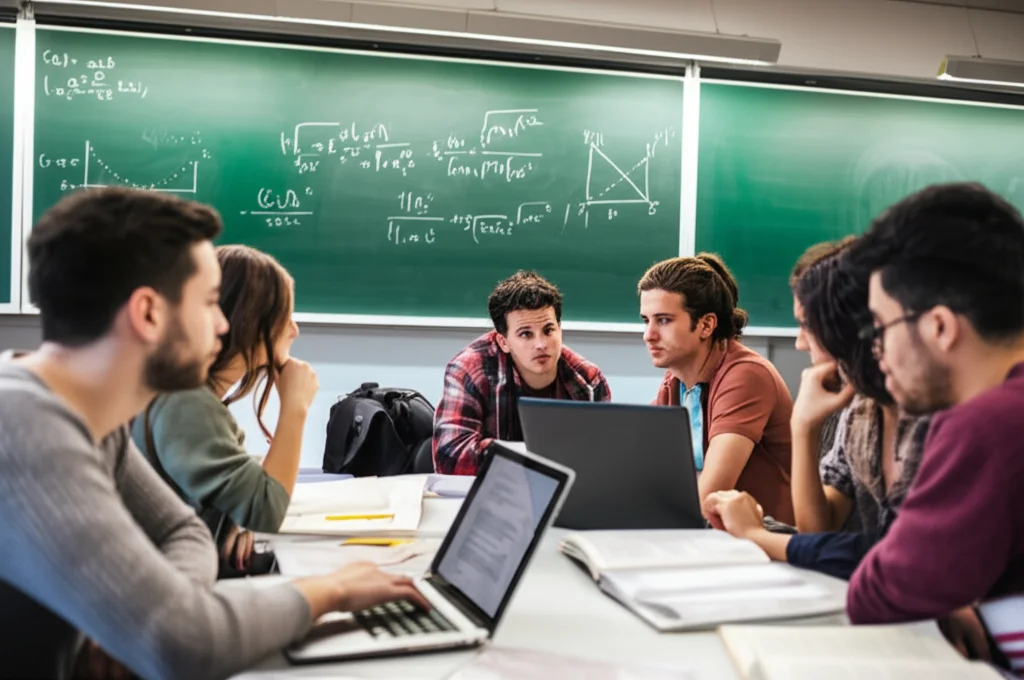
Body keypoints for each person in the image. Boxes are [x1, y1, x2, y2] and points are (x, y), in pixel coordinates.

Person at [0, 187, 425, 679]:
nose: (224, 325)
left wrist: (158, 614)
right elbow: (185, 643)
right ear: (148, 313)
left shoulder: (88, 417)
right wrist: (333, 589)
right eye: (208, 303)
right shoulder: (25, 431)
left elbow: (180, 531)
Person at [841, 182, 1024, 628]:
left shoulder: (989, 424)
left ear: (939, 327)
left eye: (881, 327)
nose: (877, 349)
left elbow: (880, 596)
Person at [704, 247, 931, 576]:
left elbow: (904, 553)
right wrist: (803, 427)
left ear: (853, 327)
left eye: (808, 325)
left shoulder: (930, 417)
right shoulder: (861, 412)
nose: (800, 343)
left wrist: (757, 535)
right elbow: (818, 532)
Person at [131, 244, 318, 577]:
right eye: (284, 316)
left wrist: (236, 514)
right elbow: (266, 512)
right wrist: (295, 406)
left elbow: (239, 490)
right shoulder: (186, 402)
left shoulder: (179, 392)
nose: (294, 330)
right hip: (171, 585)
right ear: (249, 322)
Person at [640, 253, 795, 524]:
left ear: (706, 325)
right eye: (646, 320)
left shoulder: (746, 375)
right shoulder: (676, 380)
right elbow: (645, 468)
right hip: (713, 534)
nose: (648, 335)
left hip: (767, 536)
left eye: (663, 320)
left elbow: (707, 499)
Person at [433, 270, 611, 475]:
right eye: (526, 334)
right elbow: (451, 456)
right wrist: (533, 456)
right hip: (494, 490)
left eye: (548, 330)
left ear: (560, 329)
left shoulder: (588, 381)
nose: (541, 344)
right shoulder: (470, 370)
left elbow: (602, 459)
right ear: (503, 341)